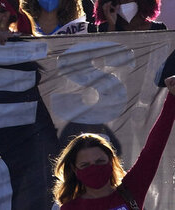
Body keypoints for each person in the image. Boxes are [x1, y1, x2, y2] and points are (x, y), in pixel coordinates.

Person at [50, 74, 175, 210]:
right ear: (74, 169)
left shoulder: (132, 189)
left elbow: (154, 148)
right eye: (85, 165)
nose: (94, 169)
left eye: (100, 162)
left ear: (111, 160)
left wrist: (172, 96)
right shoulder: (69, 208)